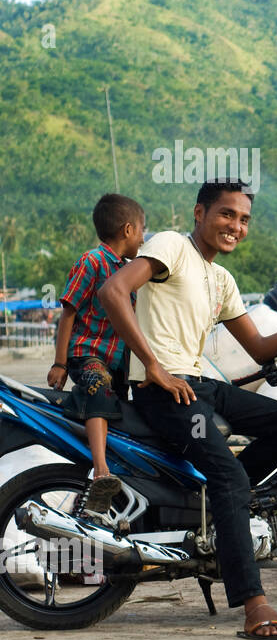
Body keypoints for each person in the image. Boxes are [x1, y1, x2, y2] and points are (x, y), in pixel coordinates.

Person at [99, 179, 277, 640]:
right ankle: (254, 605)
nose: (235, 225)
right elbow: (113, 292)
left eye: (243, 219)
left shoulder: (221, 279)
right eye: (226, 214)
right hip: (166, 392)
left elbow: (258, 349)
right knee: (230, 478)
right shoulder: (172, 246)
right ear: (199, 214)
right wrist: (154, 367)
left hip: (202, 387)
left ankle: (224, 502)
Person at [47, 194, 146, 517]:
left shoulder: (130, 272)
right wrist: (60, 363)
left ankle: (98, 495)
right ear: (128, 230)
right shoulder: (91, 262)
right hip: (87, 353)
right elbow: (68, 313)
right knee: (99, 387)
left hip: (118, 360)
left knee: (120, 407)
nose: (144, 239)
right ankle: (101, 470)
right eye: (142, 231)